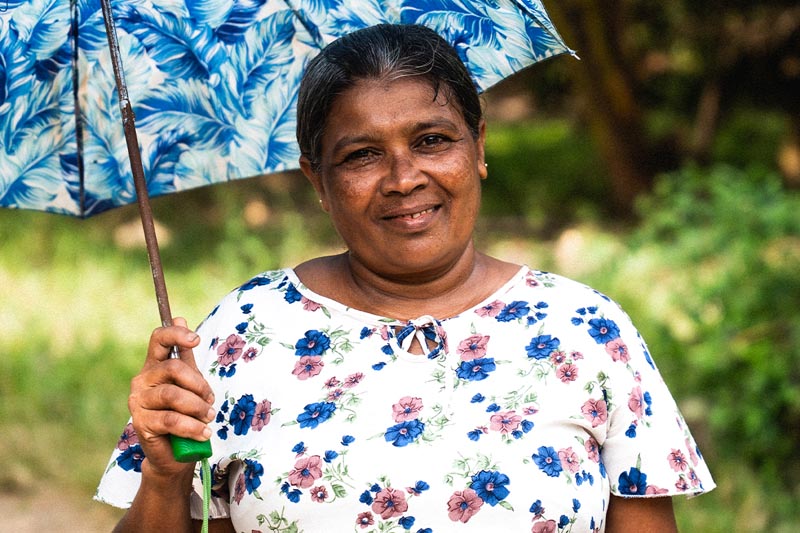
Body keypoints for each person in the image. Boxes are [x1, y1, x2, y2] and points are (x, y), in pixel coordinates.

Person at [96, 23, 714, 532]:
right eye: (361, 155)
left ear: (477, 146)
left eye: (432, 140)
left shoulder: (586, 330)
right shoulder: (244, 331)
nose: (403, 178)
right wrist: (165, 476)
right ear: (317, 180)